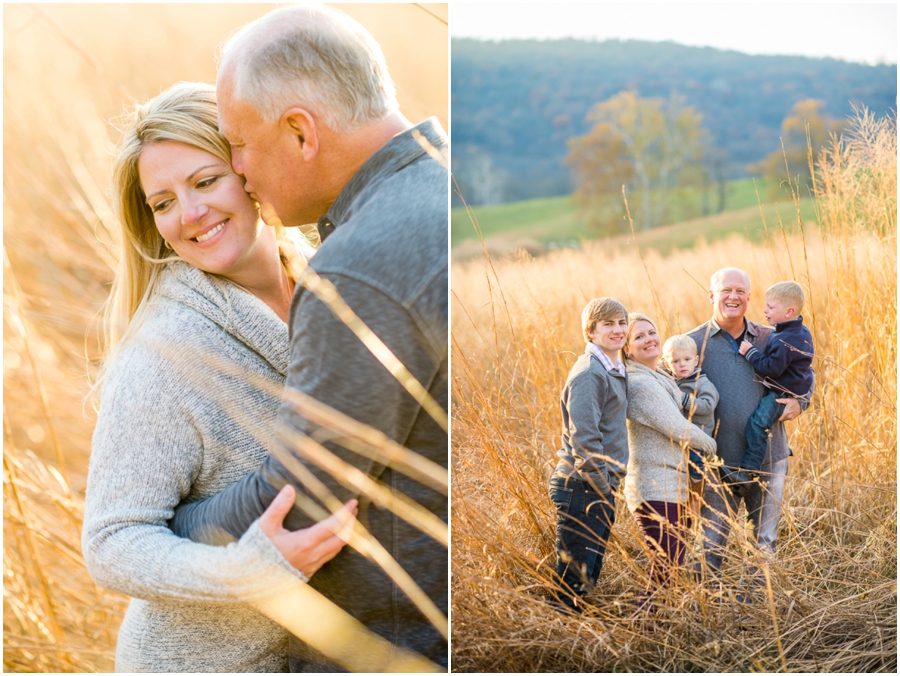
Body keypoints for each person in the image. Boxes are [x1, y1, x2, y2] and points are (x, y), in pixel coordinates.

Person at [167, 5, 449, 670]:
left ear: (300, 132)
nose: (235, 170)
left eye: (237, 142)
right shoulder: (444, 185)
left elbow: (301, 496)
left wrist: (168, 528)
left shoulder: (356, 267)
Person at [82, 82, 356, 673]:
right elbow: (111, 541)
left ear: (250, 170)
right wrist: (247, 573)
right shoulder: (166, 353)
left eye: (205, 182)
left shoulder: (323, 283)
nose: (190, 215)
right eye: (162, 203)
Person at [688, 268, 813, 583]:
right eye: (726, 290)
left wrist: (802, 401)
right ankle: (707, 613)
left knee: (763, 544)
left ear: (749, 298)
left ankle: (756, 616)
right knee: (711, 543)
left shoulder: (770, 336)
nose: (733, 297)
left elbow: (805, 375)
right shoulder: (692, 344)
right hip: (717, 464)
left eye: (740, 291)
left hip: (770, 459)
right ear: (711, 295)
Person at [622, 315, 716, 604]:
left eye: (652, 332)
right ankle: (642, 630)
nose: (649, 338)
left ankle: (656, 630)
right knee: (665, 566)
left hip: (674, 485)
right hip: (654, 486)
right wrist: (712, 445)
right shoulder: (641, 384)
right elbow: (677, 428)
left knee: (671, 566)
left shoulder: (660, 375)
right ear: (627, 349)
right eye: (639, 337)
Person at [549, 297, 629, 613]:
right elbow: (585, 442)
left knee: (587, 577)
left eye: (622, 322)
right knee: (573, 586)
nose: (618, 330)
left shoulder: (612, 368)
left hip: (596, 485)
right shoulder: (589, 373)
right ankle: (561, 645)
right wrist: (603, 487)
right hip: (583, 486)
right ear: (590, 332)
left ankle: (575, 635)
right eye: (608, 324)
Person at [730, 282, 815, 495]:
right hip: (787, 388)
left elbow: (773, 368)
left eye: (770, 307)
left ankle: (748, 471)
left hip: (781, 393)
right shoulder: (798, 331)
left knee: (758, 423)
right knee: (760, 421)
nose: (765, 311)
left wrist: (750, 352)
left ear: (789, 311)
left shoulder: (785, 339)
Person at [660, 333, 720, 516]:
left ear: (696, 360)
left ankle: (696, 499)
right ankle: (681, 503)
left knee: (695, 469)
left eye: (686, 359)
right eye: (675, 361)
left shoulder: (701, 382)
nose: (682, 364)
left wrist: (685, 399)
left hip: (698, 436)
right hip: (679, 438)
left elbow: (709, 404)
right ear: (668, 363)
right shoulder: (672, 380)